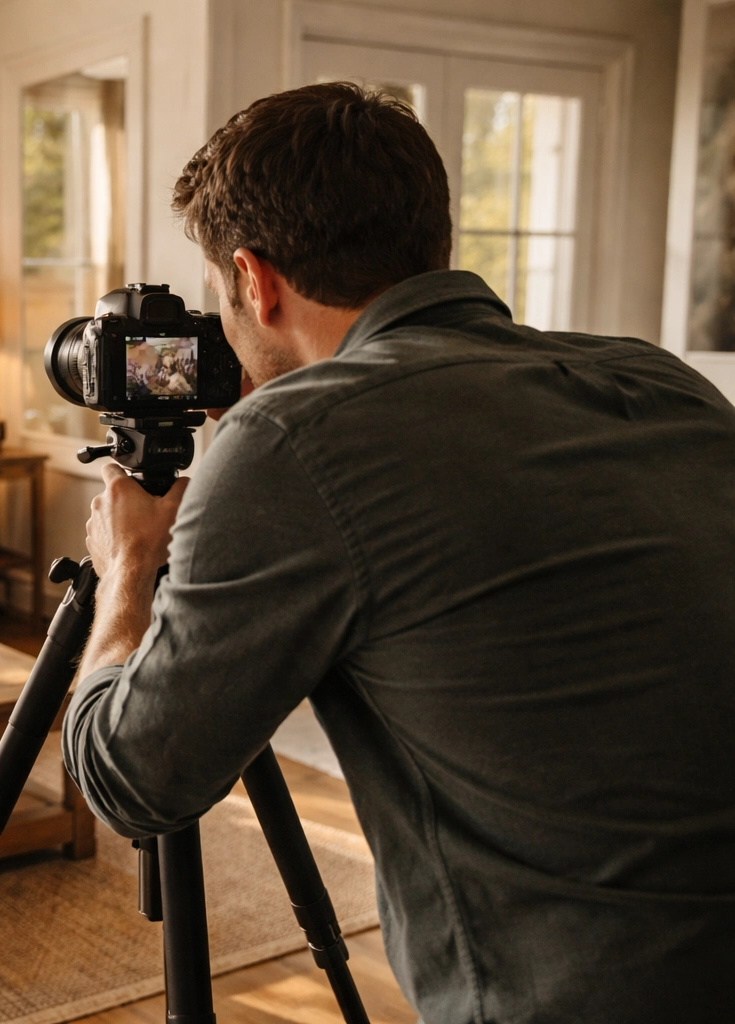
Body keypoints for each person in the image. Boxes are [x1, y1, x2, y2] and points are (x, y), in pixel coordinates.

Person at [61, 82, 735, 1023]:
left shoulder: (296, 443)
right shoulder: (656, 376)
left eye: (222, 297)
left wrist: (130, 567)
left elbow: (130, 782)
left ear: (255, 280)